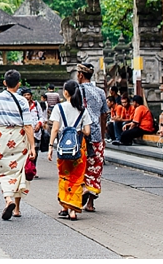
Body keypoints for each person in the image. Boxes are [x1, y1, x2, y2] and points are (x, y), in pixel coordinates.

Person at [0, 69, 36, 220]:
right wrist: (32, 146)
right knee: (18, 170)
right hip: (19, 136)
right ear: (19, 84)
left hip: (2, 136)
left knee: (4, 171)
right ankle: (17, 208)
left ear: (4, 83)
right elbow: (28, 125)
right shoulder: (22, 101)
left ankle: (8, 199)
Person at [47, 80, 92, 221]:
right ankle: (73, 210)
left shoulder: (59, 108)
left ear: (65, 92)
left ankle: (65, 206)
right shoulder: (83, 109)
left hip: (63, 148)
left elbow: (55, 128)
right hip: (79, 148)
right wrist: (77, 130)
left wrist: (50, 147)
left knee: (64, 176)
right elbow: (88, 131)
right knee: (77, 178)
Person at [76, 62, 109, 212]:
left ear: (81, 75)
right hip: (96, 135)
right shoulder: (100, 92)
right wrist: (102, 136)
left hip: (80, 135)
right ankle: (90, 203)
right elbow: (104, 115)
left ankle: (79, 195)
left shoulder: (76, 91)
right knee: (95, 169)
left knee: (79, 167)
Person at [22, 88, 46, 178]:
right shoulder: (21, 105)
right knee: (24, 150)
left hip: (36, 132)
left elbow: (42, 117)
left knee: (35, 151)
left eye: (28, 95)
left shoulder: (36, 105)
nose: (27, 97)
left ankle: (33, 169)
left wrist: (39, 124)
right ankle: (25, 168)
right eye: (25, 95)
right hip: (24, 133)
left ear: (31, 96)